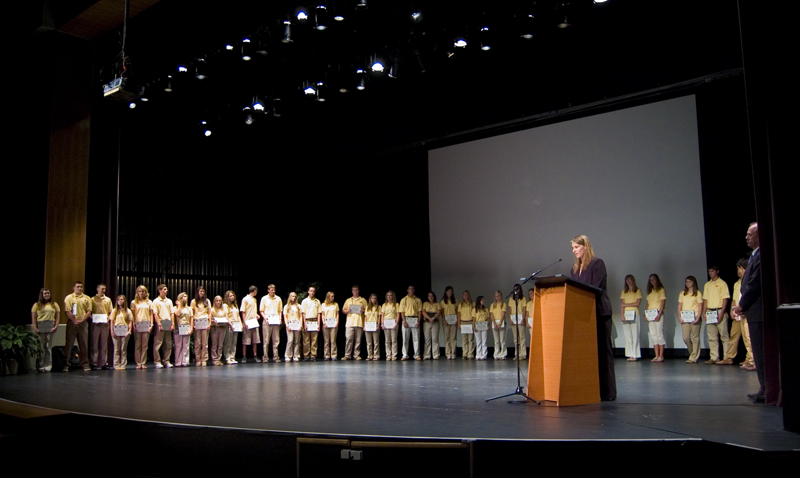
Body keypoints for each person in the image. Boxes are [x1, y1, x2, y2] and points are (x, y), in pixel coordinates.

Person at [570, 235, 616, 401]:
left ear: (585, 246)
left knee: (603, 352)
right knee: (587, 354)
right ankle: (591, 389)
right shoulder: (574, 269)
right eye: (573, 248)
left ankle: (608, 392)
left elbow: (595, 288)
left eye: (576, 247)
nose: (574, 251)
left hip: (600, 312)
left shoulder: (597, 264)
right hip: (584, 316)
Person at [732, 223, 765, 402]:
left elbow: (754, 285)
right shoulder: (753, 255)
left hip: (758, 310)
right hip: (752, 310)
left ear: (759, 235)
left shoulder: (761, 255)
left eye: (749, 234)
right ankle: (764, 387)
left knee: (760, 351)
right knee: (757, 351)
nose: (746, 237)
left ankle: (767, 388)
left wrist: (742, 304)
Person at [730, 258, 755, 370]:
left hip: (747, 312)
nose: (738, 271)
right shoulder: (738, 283)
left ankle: (753, 361)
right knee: (745, 338)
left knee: (749, 337)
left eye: (739, 268)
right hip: (740, 312)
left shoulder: (749, 280)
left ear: (742, 268)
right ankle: (750, 360)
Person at [702, 266, 730, 364]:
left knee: (724, 336)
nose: (710, 273)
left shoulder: (722, 284)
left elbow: (725, 299)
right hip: (710, 311)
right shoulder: (707, 285)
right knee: (712, 336)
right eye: (709, 271)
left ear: (717, 271)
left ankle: (727, 357)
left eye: (712, 271)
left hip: (718, 310)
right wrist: (704, 312)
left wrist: (722, 312)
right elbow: (705, 299)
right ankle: (714, 357)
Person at [63, 281, 92, 372]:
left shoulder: (87, 298)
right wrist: (74, 320)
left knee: (84, 344)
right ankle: (66, 364)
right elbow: (67, 311)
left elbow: (89, 311)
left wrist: (82, 320)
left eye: (81, 287)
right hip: (72, 323)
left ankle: (85, 364)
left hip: (83, 324)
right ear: (74, 288)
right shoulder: (69, 297)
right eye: (78, 287)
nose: (80, 288)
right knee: (69, 344)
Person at [31, 288, 60, 372]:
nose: (47, 295)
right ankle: (40, 365)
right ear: (42, 295)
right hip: (40, 327)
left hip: (50, 327)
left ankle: (48, 366)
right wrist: (35, 327)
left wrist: (56, 326)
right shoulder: (37, 305)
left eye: (48, 293)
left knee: (48, 347)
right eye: (45, 293)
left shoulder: (54, 304)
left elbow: (57, 316)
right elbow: (34, 317)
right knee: (41, 347)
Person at [678, 276, 704, 363]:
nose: (688, 283)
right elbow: (679, 306)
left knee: (695, 337)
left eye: (689, 282)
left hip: (694, 317)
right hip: (685, 318)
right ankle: (692, 352)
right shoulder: (682, 293)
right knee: (686, 338)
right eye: (686, 282)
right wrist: (679, 316)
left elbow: (700, 306)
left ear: (693, 282)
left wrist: (698, 317)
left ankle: (693, 357)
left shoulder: (698, 293)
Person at [90, 283, 113, 370]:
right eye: (102, 289)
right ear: (97, 289)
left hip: (104, 324)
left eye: (105, 289)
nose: (104, 290)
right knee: (94, 344)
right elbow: (89, 311)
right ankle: (94, 362)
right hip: (95, 324)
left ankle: (103, 362)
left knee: (104, 344)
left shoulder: (108, 300)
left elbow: (110, 312)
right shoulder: (92, 299)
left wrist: (108, 319)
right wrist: (93, 319)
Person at [619, 275, 642, 361]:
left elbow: (637, 303)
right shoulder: (624, 292)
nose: (629, 281)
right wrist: (622, 315)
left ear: (633, 280)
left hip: (635, 314)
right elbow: (622, 305)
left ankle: (635, 354)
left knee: (635, 334)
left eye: (630, 280)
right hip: (626, 315)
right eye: (627, 280)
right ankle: (630, 354)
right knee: (628, 335)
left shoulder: (638, 291)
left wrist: (625, 305)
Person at [151, 284, 173, 369]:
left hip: (168, 323)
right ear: (160, 290)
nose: (166, 291)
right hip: (160, 323)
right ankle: (157, 361)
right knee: (158, 344)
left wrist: (172, 323)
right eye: (164, 289)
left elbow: (171, 313)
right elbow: (155, 313)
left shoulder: (169, 301)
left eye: (166, 289)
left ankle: (166, 360)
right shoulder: (156, 301)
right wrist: (159, 324)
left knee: (168, 344)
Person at [259, 284, 283, 363]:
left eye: (274, 290)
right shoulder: (264, 298)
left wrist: (280, 319)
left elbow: (280, 310)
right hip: (267, 321)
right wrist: (265, 318)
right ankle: (265, 357)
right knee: (266, 340)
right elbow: (261, 310)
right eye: (271, 290)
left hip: (275, 321)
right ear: (268, 290)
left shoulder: (278, 299)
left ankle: (276, 357)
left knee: (276, 340)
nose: (273, 291)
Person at [645, 274, 667, 363]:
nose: (652, 281)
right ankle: (656, 355)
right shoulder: (650, 292)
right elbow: (647, 304)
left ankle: (661, 356)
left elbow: (662, 304)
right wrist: (645, 314)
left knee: (659, 334)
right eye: (651, 280)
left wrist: (659, 314)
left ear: (657, 280)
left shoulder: (661, 290)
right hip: (650, 315)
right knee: (653, 335)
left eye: (654, 279)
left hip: (658, 314)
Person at [343, 285, 367, 360]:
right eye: (354, 290)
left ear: (358, 291)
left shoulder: (363, 300)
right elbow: (343, 310)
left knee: (358, 340)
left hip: (359, 322)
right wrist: (347, 311)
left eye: (356, 290)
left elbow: (368, 310)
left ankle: (356, 355)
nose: (355, 291)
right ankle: (347, 355)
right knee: (349, 339)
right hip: (350, 323)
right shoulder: (348, 300)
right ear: (352, 291)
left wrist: (363, 311)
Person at [109, 295, 132, 370]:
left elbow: (130, 321)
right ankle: (116, 364)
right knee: (116, 349)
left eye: (122, 299)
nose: (120, 301)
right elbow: (111, 322)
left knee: (123, 349)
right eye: (119, 299)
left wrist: (129, 331)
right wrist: (112, 331)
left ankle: (123, 364)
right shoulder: (114, 310)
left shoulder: (128, 311)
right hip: (116, 330)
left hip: (124, 331)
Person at [400, 286, 423, 361]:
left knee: (416, 338)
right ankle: (405, 355)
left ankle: (416, 355)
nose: (411, 290)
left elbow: (420, 312)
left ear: (414, 290)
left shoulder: (418, 300)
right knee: (405, 339)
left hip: (415, 319)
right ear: (407, 290)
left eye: (413, 289)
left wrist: (418, 321)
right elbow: (402, 312)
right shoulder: (404, 299)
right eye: (410, 289)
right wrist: (404, 321)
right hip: (406, 319)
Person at [191, 286, 211, 366]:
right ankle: (198, 359)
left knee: (204, 343)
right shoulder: (194, 301)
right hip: (197, 322)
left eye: (203, 291)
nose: (202, 292)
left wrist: (209, 322)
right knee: (197, 342)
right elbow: (192, 313)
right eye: (200, 291)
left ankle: (204, 359)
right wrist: (192, 324)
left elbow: (209, 312)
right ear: (198, 292)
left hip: (205, 321)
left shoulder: (207, 301)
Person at [240, 285, 261, 363]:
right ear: (254, 291)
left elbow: (253, 311)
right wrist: (244, 322)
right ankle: (244, 356)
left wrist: (256, 315)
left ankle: (255, 356)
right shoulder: (245, 299)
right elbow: (243, 311)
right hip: (248, 322)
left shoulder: (254, 300)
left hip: (254, 322)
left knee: (255, 340)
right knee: (246, 340)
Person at [172, 292, 193, 367]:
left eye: (186, 297)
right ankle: (178, 361)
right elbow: (177, 314)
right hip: (178, 328)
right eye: (184, 297)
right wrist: (179, 305)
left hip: (186, 326)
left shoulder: (189, 308)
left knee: (186, 345)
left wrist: (191, 329)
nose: (185, 298)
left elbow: (191, 319)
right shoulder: (175, 308)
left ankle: (185, 361)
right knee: (178, 345)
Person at [301, 286, 321, 361]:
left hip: (315, 321)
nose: (312, 292)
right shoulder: (305, 301)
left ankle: (313, 355)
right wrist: (304, 323)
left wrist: (318, 324)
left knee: (314, 340)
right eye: (311, 291)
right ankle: (306, 355)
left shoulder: (317, 301)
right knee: (306, 340)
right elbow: (303, 313)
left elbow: (319, 313)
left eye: (313, 291)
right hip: (307, 321)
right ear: (308, 292)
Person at [507, 285, 527, 359]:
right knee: (516, 338)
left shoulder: (523, 299)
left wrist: (523, 319)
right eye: (515, 289)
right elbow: (510, 310)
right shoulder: (511, 299)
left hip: (520, 318)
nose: (516, 291)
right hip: (513, 319)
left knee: (522, 337)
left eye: (517, 289)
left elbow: (524, 309)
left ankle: (523, 354)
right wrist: (509, 318)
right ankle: (517, 353)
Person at [421, 292, 441, 360]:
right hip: (427, 322)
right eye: (429, 296)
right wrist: (429, 318)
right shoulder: (425, 304)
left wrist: (433, 318)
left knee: (435, 339)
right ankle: (427, 355)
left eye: (432, 296)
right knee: (427, 339)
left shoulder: (437, 304)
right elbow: (423, 312)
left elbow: (438, 312)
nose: (431, 297)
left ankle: (436, 354)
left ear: (434, 297)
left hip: (435, 322)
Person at [209, 295, 229, 366]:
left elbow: (226, 318)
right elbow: (210, 320)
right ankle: (214, 359)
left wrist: (228, 322)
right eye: (217, 301)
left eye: (219, 301)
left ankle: (219, 359)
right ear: (214, 301)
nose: (218, 302)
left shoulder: (223, 310)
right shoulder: (212, 310)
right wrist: (213, 322)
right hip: (215, 328)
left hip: (222, 328)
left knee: (220, 345)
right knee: (214, 345)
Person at [440, 286, 458, 360]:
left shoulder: (455, 301)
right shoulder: (443, 301)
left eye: (451, 291)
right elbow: (442, 312)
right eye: (448, 291)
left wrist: (457, 319)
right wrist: (443, 320)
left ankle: (453, 353)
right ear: (446, 292)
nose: (450, 293)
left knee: (453, 337)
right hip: (446, 321)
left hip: (454, 321)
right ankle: (448, 353)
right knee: (447, 337)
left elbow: (457, 311)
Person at [283, 292, 302, 362]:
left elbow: (300, 316)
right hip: (290, 324)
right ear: (290, 297)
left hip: (297, 324)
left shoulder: (299, 306)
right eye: (292, 296)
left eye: (294, 296)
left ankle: (296, 355)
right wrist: (287, 325)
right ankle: (288, 355)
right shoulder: (286, 306)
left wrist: (301, 325)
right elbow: (285, 317)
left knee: (297, 341)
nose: (293, 298)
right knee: (290, 340)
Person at [223, 291, 241, 364]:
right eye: (230, 296)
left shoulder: (235, 305)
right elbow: (226, 316)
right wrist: (230, 324)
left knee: (234, 342)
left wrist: (240, 324)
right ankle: (228, 357)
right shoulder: (225, 305)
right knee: (228, 342)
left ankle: (232, 357)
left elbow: (238, 315)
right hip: (230, 325)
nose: (232, 297)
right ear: (227, 297)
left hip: (236, 324)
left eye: (233, 295)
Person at [321, 291, 340, 360]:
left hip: (333, 324)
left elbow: (337, 314)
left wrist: (337, 323)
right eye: (331, 296)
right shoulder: (323, 305)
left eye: (333, 296)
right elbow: (323, 315)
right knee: (326, 341)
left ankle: (333, 355)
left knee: (333, 341)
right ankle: (326, 355)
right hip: (326, 324)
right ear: (328, 297)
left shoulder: (336, 304)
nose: (333, 298)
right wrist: (323, 323)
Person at [381, 291, 400, 360]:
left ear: (393, 296)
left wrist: (396, 323)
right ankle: (388, 355)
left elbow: (398, 315)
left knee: (394, 340)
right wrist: (382, 324)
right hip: (386, 323)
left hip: (393, 323)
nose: (389, 297)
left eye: (390, 295)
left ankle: (394, 355)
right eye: (388, 295)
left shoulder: (396, 304)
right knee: (387, 340)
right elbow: (382, 315)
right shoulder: (384, 305)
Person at [489, 290, 507, 360]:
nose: (497, 297)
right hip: (495, 323)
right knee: (496, 340)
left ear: (501, 296)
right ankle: (496, 353)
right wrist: (494, 323)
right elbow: (492, 315)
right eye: (496, 296)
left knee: (502, 339)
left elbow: (503, 314)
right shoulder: (492, 305)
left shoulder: (503, 304)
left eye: (498, 296)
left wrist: (500, 323)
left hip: (501, 322)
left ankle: (503, 353)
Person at [458, 290, 475, 360]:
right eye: (464, 295)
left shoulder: (472, 304)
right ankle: (465, 353)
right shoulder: (460, 304)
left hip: (470, 322)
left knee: (470, 339)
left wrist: (473, 323)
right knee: (464, 339)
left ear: (469, 295)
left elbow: (474, 315)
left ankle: (470, 354)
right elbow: (458, 314)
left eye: (466, 295)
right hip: (463, 322)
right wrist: (459, 323)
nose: (465, 296)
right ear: (463, 296)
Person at [364, 294, 381, 360]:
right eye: (372, 298)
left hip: (375, 325)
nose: (373, 299)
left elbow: (379, 317)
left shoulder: (379, 307)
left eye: (375, 298)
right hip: (368, 325)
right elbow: (365, 317)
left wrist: (378, 325)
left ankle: (376, 355)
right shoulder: (367, 307)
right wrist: (364, 326)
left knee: (376, 342)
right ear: (370, 299)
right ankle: (369, 355)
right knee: (369, 342)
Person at [473, 295, 490, 360]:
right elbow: (474, 319)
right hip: (477, 326)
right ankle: (478, 354)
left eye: (484, 300)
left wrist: (487, 326)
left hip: (484, 326)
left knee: (484, 341)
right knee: (478, 341)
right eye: (482, 300)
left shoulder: (486, 310)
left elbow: (488, 318)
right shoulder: (475, 310)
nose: (483, 301)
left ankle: (484, 354)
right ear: (479, 301)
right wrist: (473, 326)